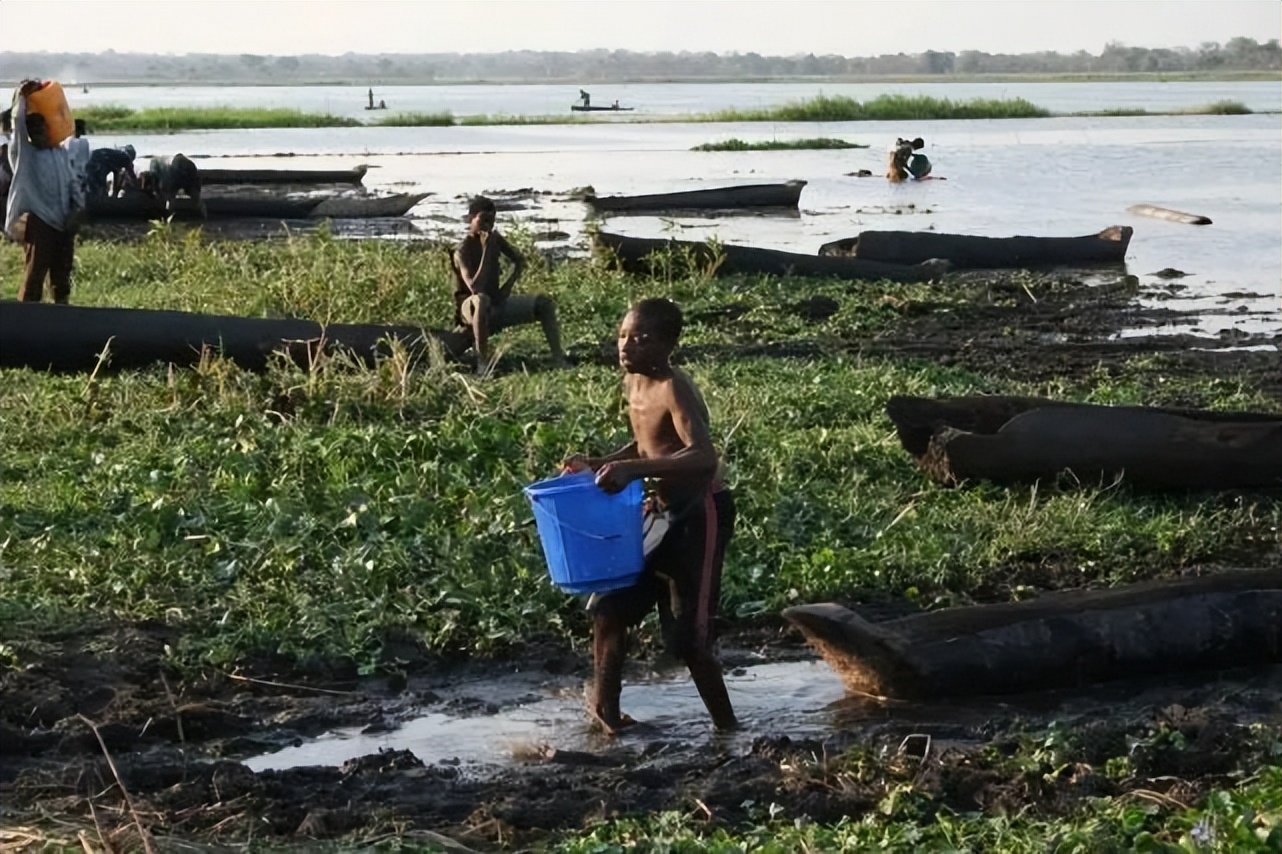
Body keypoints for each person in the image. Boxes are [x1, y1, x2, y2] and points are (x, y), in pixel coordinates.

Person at [563, 298, 738, 736]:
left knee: (690, 641)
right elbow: (647, 445)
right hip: (658, 514)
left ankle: (729, 732)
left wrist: (632, 471)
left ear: (667, 344)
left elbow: (703, 456)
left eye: (640, 339)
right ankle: (607, 718)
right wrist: (600, 464)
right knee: (610, 610)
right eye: (623, 336)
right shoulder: (633, 383)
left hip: (698, 514)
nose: (627, 346)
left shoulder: (673, 387)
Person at [451, 196, 566, 372]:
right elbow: (474, 287)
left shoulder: (495, 240)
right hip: (470, 310)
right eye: (483, 220)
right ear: (470, 219)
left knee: (544, 304)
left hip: (495, 303)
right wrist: (486, 251)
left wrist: (507, 286)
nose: (488, 226)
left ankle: (558, 359)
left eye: (491, 221)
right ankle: (482, 362)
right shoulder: (463, 249)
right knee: (481, 300)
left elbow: (519, 260)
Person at [6, 81, 85, 304]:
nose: (39, 133)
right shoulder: (25, 156)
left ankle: (61, 314)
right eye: (33, 130)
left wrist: (78, 209)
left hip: (64, 221)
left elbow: (72, 182)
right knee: (35, 274)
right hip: (40, 220)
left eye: (42, 128)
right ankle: (27, 317)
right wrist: (21, 97)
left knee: (62, 276)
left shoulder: (60, 153)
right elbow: (17, 126)